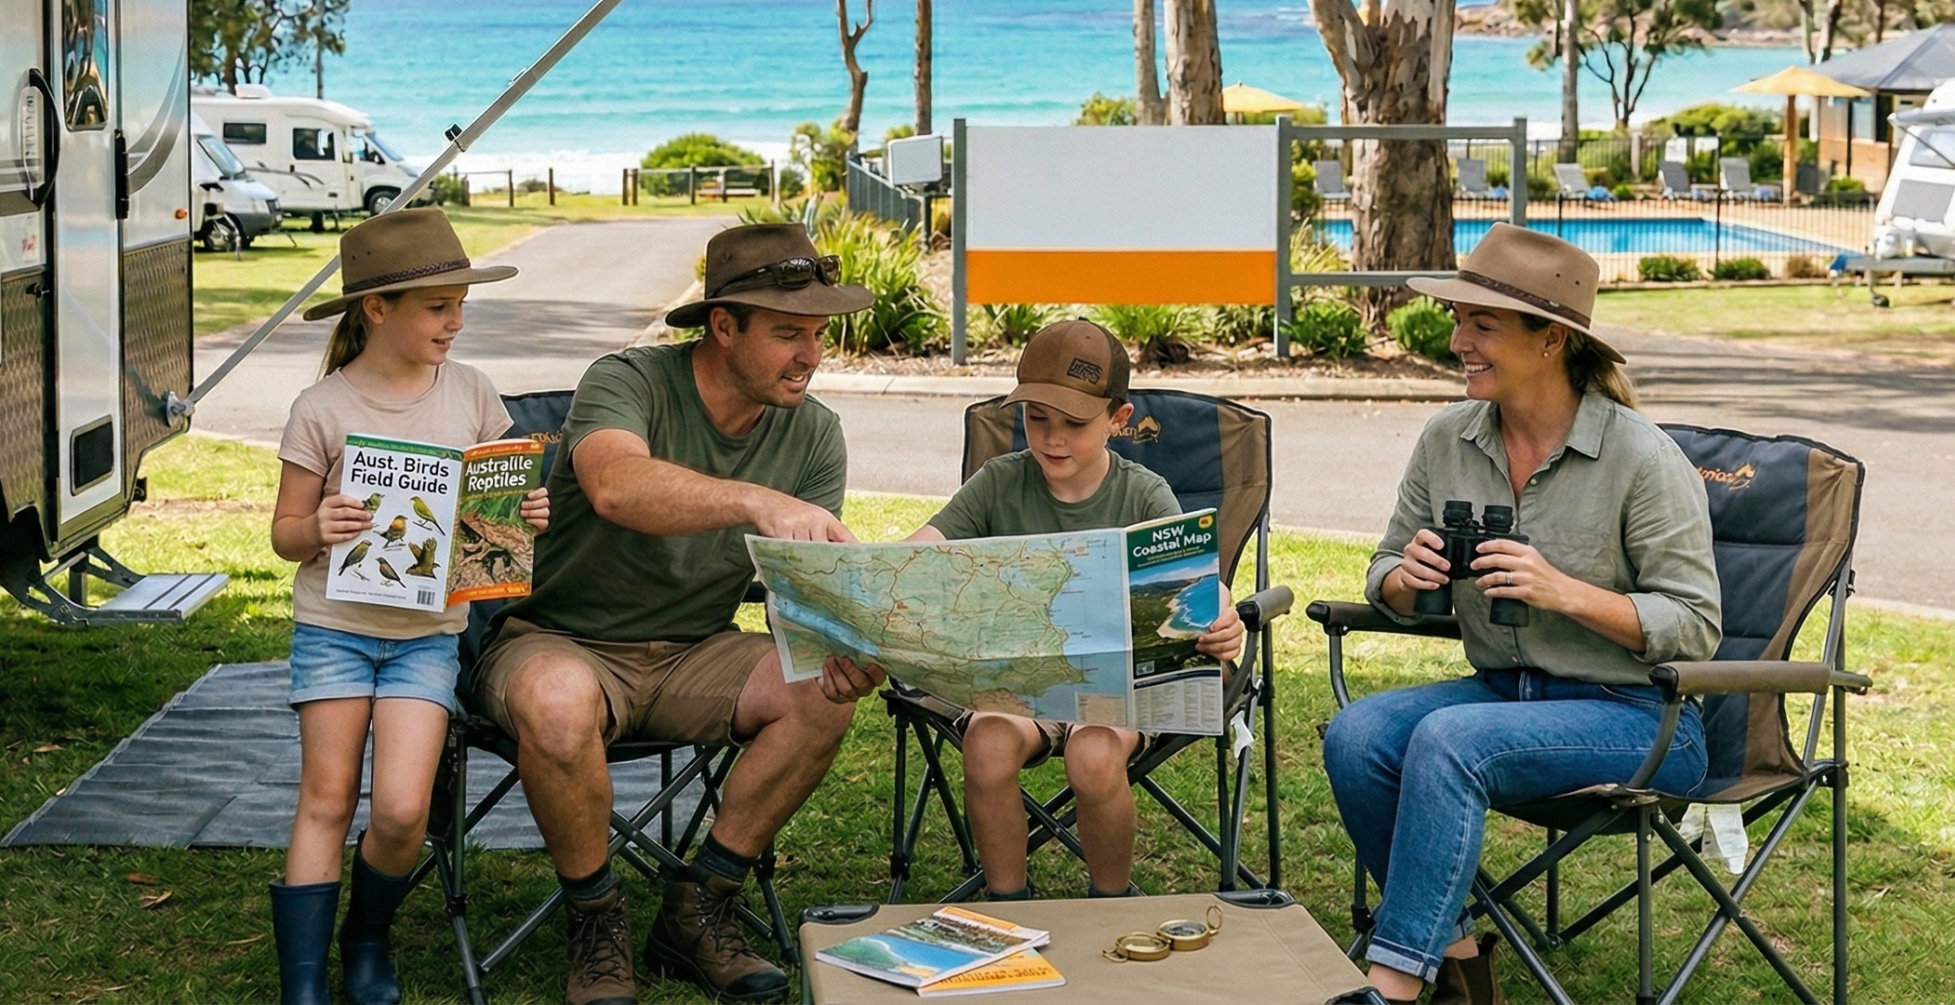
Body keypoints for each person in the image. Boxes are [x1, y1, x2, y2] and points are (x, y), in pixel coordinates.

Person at [472, 223, 884, 1005]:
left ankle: (700, 904)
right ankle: (595, 920)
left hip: (698, 650)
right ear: (722, 325)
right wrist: (755, 499)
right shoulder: (627, 380)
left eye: (820, 333)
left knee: (821, 692)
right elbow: (616, 487)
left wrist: (854, 637)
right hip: (560, 640)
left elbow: (797, 588)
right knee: (557, 706)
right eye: (788, 333)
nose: (811, 355)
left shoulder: (814, 432)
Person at [1319, 226, 1721, 1005]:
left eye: (1480, 325)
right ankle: (1462, 961)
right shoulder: (1447, 439)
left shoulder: (1641, 457)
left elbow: (1695, 625)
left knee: (1447, 739)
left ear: (1551, 341)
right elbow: (1382, 569)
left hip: (1640, 716)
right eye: (1458, 320)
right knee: (1357, 736)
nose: (1455, 340)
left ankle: (1392, 986)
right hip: (1502, 692)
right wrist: (1403, 579)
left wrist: (1562, 589)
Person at [265, 209, 549, 1005]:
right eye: (437, 306)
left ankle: (366, 937)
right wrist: (314, 526)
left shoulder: (472, 393)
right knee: (325, 798)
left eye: (460, 303)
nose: (455, 321)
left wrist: (524, 516)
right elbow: (285, 535)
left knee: (398, 809)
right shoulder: (321, 407)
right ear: (376, 308)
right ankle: (301, 985)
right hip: (334, 631)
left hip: (428, 637)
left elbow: (496, 504)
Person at [903, 319, 1244, 899]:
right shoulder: (998, 483)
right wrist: (873, 580)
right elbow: (920, 554)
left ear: (1118, 419)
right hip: (1021, 684)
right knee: (986, 744)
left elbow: (1198, 587)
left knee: (1093, 751)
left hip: (1118, 690)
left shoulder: (1144, 494)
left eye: (1074, 424)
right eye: (1037, 419)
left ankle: (1108, 902)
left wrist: (1222, 617)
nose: (1053, 439)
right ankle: (1006, 903)